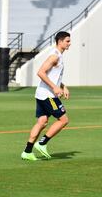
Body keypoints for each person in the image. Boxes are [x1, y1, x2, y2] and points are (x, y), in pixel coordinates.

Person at [21, 31, 71, 161]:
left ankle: (27, 151)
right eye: (67, 41)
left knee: (42, 122)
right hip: (49, 95)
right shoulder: (54, 56)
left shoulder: (59, 55)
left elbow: (52, 76)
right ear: (59, 41)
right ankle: (42, 143)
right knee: (64, 120)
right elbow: (41, 72)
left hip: (42, 94)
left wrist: (62, 86)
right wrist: (55, 87)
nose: (69, 43)